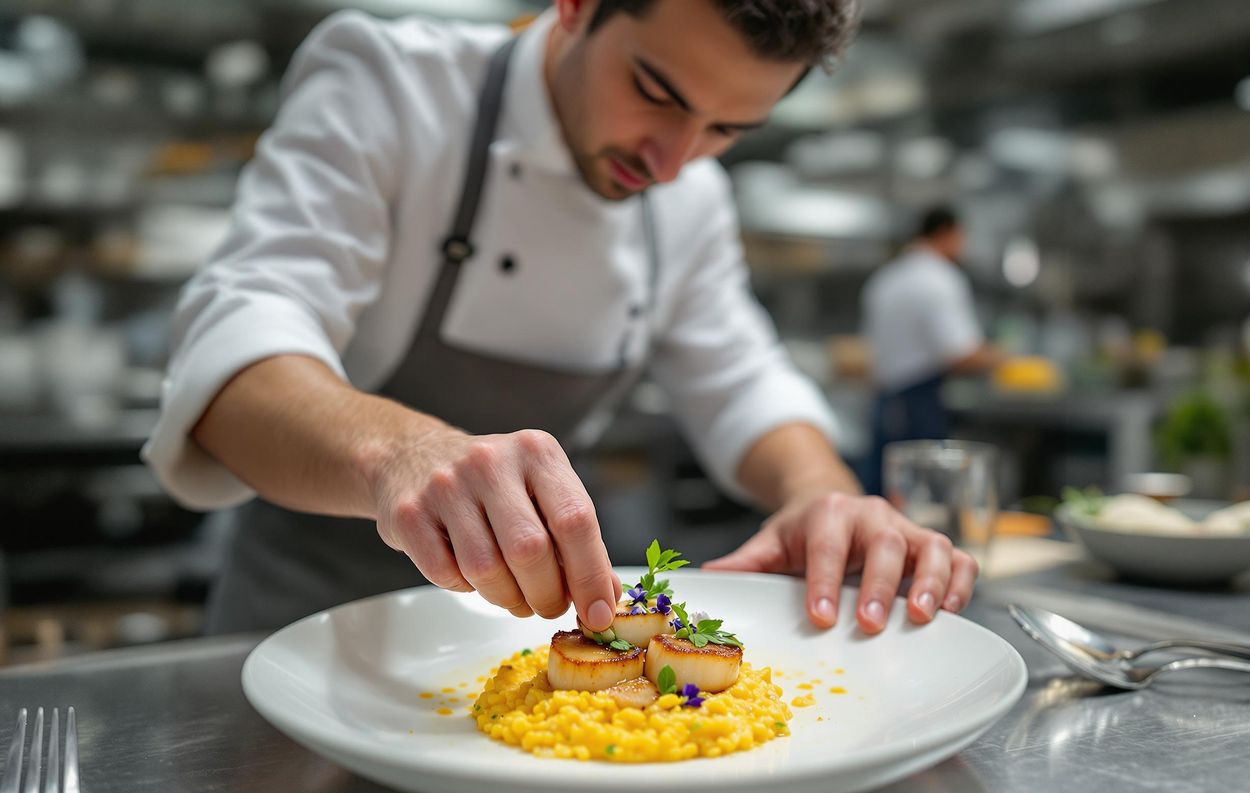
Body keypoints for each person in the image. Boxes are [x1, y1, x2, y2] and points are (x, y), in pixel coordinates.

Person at [143, 0, 979, 639]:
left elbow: (742, 381)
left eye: (727, 128)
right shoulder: (393, 84)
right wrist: (403, 452)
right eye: (655, 91)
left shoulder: (688, 198)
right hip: (308, 632)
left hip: (521, 642)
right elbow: (237, 345)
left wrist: (823, 495)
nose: (671, 160)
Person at [861, 206, 1003, 495]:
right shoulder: (940, 278)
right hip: (919, 401)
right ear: (946, 234)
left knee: (882, 494)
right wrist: (1007, 358)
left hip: (884, 399)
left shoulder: (885, 278)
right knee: (925, 499)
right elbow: (960, 353)